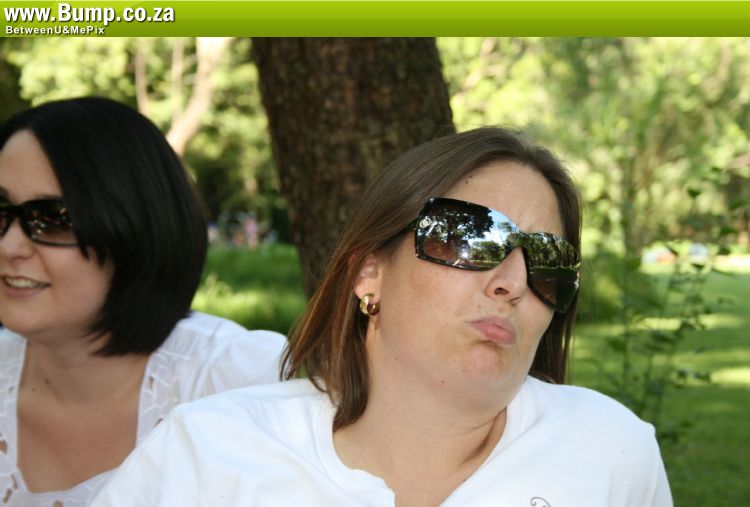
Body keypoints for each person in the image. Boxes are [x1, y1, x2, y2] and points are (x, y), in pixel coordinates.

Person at [92, 127, 673, 506]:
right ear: (368, 272)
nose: (513, 283)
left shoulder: (607, 450)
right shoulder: (208, 453)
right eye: (469, 238)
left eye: (547, 262)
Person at [0, 97, 287, 507]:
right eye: (1, 211)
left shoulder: (232, 384)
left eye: (54, 217)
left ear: (136, 227)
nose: (9, 245)